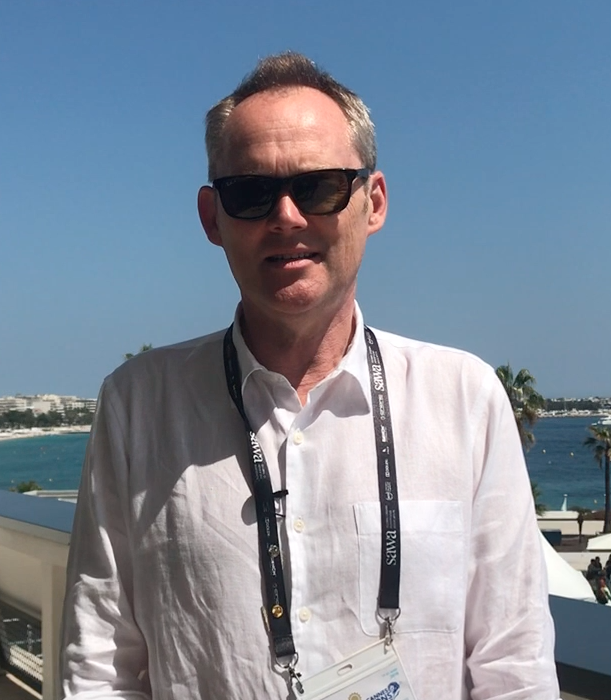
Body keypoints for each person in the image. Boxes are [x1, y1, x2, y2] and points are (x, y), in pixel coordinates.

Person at [60, 52, 558, 700]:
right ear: (212, 218)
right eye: (251, 193)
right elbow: (100, 664)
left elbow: (514, 663)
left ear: (372, 203)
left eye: (319, 187)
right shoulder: (138, 404)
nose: (287, 217)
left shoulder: (464, 398)